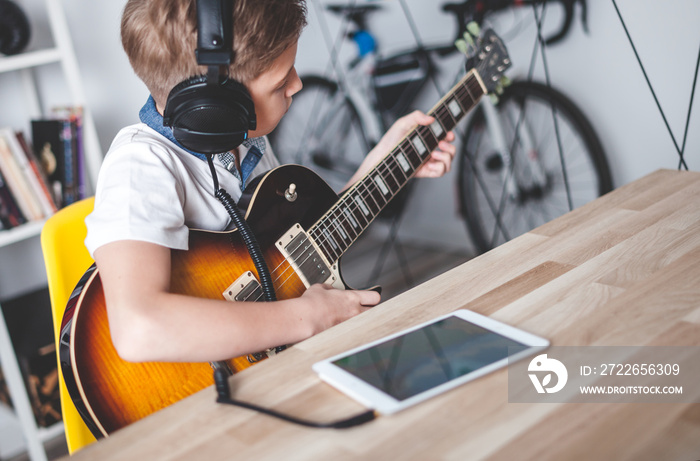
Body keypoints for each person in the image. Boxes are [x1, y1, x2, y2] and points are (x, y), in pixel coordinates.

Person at [85, 0, 457, 364]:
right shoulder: (142, 165)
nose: (296, 85)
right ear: (217, 105)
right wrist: (308, 317)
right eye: (281, 82)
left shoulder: (246, 143)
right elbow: (138, 329)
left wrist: (383, 160)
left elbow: (296, 247)